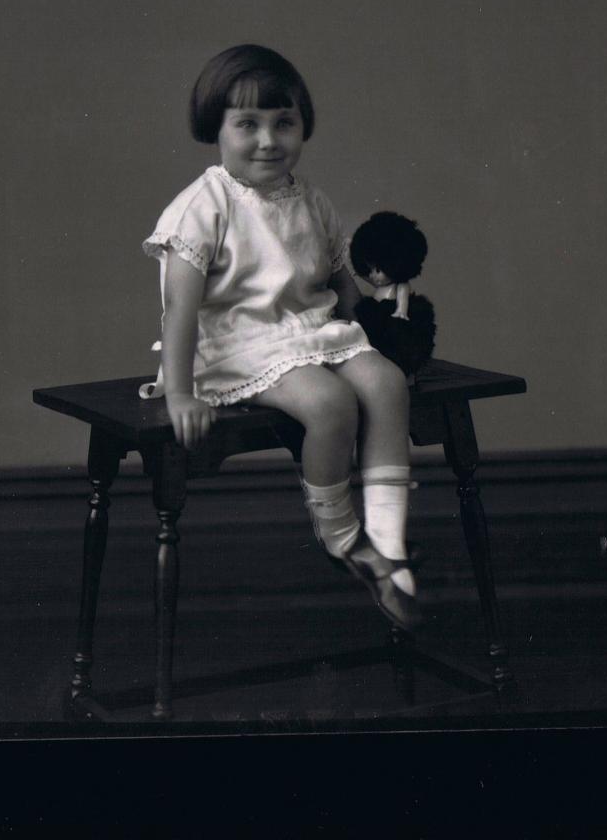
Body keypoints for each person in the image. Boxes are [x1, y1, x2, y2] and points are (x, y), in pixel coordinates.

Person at [141, 44, 420, 632]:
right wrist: (181, 393)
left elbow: (338, 283)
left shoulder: (310, 199)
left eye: (283, 123)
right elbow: (180, 309)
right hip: (238, 342)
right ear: (216, 127)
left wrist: (379, 331)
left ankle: (389, 542)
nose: (268, 140)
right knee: (330, 403)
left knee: (386, 383)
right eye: (248, 124)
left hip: (311, 330)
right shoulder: (204, 207)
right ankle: (342, 535)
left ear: (301, 127)